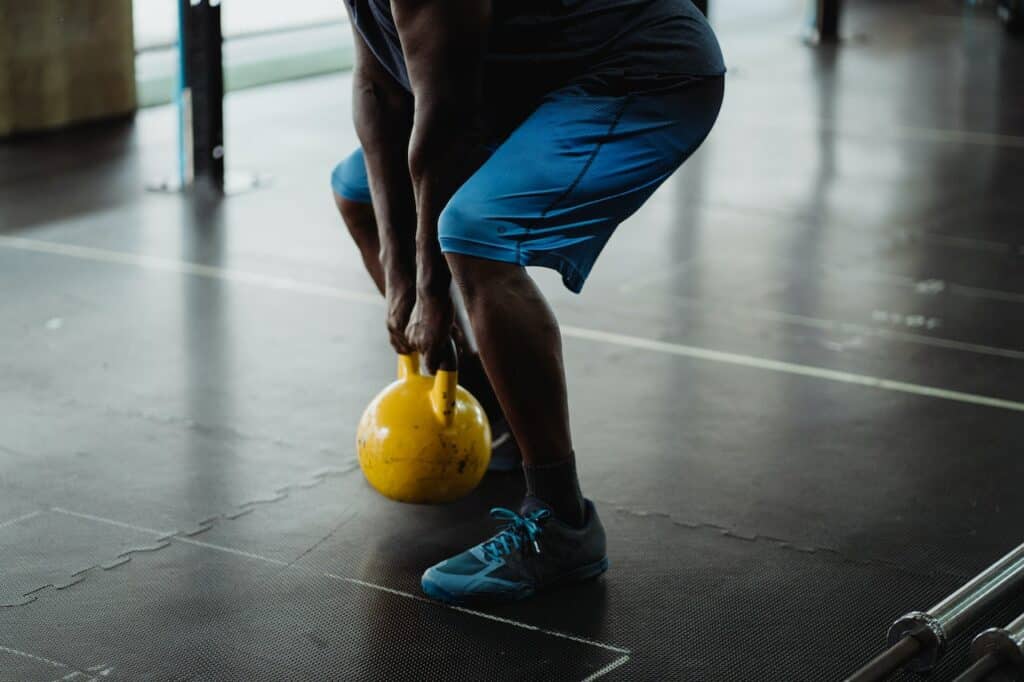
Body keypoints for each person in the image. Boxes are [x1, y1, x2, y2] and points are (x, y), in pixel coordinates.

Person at [331, 0, 725, 603]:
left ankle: (562, 523)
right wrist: (398, 269)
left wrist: (430, 289)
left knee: (476, 232)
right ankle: (497, 421)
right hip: (527, 84)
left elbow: (445, 119)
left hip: (641, 74)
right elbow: (377, 88)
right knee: (359, 189)